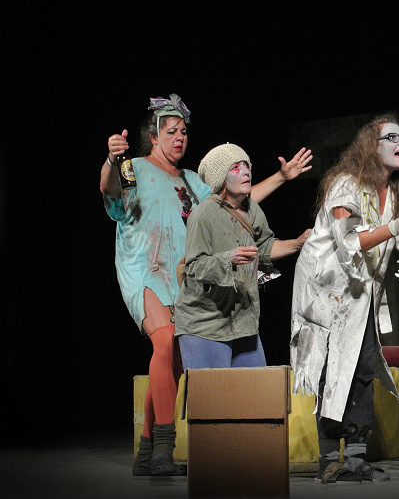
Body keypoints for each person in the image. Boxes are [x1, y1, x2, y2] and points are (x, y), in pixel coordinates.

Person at [101, 94, 312, 477]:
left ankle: (146, 450)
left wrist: (281, 178)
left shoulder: (192, 180)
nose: (179, 137)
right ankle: (163, 446)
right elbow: (111, 191)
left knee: (176, 357)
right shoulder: (134, 167)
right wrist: (111, 160)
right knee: (166, 342)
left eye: (183, 131)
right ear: (154, 136)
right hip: (145, 267)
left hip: (184, 273)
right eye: (171, 131)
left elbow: (233, 200)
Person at [290, 114, 399, 484]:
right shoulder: (345, 185)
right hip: (325, 291)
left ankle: (357, 457)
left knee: (364, 368)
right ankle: (329, 460)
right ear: (371, 146)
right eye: (391, 137)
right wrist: (392, 228)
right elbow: (349, 241)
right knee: (333, 369)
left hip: (360, 292)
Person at [174, 143, 310, 371]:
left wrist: (297, 243)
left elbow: (264, 248)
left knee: (254, 391)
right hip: (204, 325)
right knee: (212, 393)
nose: (245, 172)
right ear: (221, 178)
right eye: (235, 168)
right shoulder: (203, 214)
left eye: (246, 166)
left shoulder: (252, 209)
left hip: (243, 322)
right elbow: (195, 266)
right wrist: (228, 258)